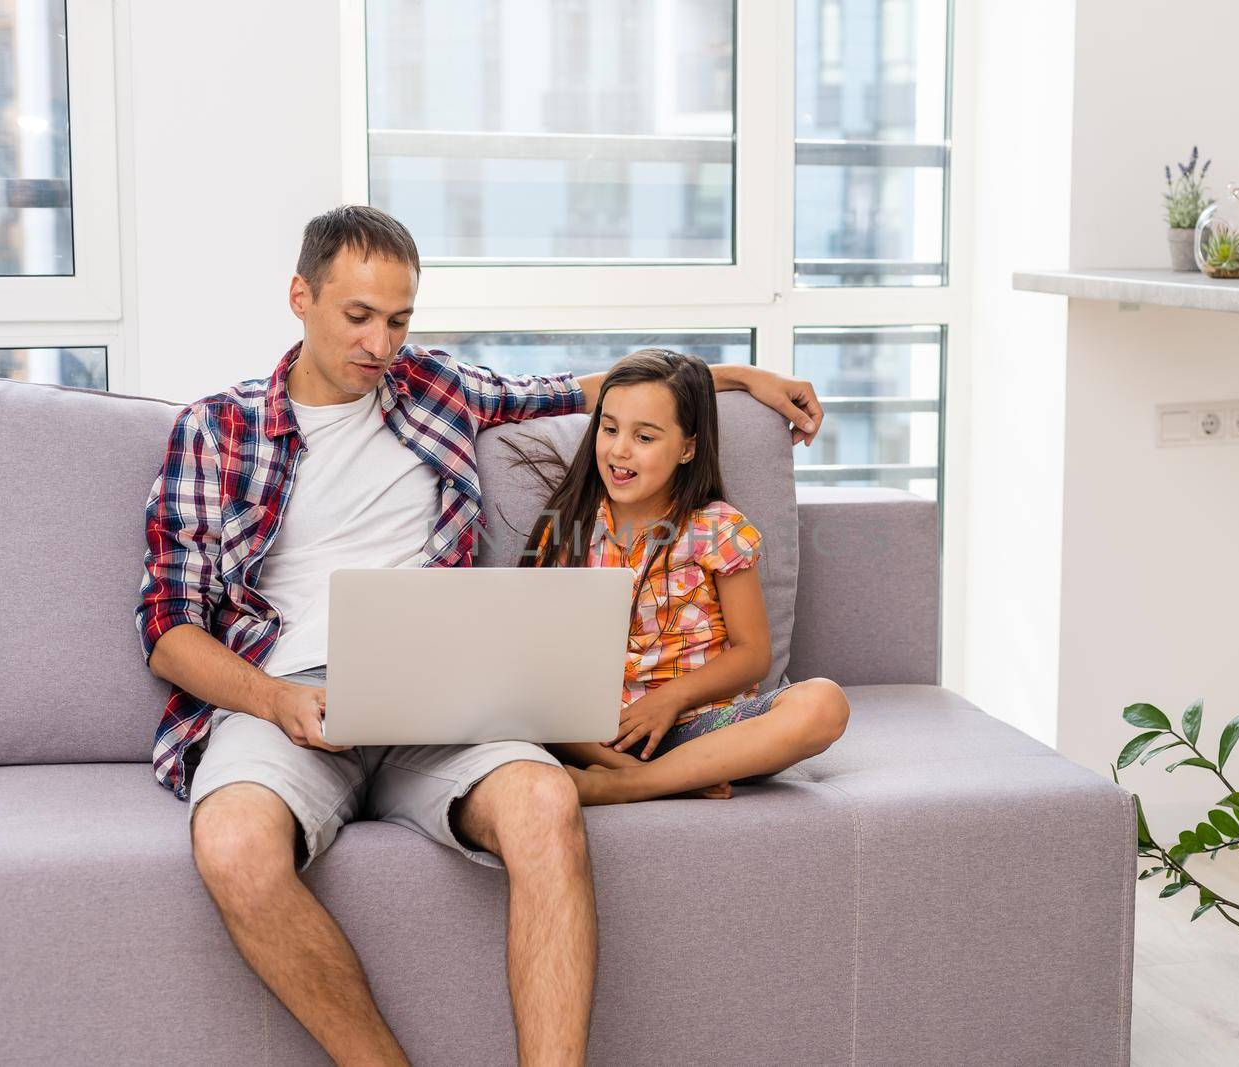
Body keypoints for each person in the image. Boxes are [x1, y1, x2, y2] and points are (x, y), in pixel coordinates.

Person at [134, 205, 825, 1066]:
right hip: (292, 699)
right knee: (233, 843)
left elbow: (580, 391)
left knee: (545, 802)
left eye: (399, 319)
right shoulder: (214, 431)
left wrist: (738, 376)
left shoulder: (437, 388)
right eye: (357, 317)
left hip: (445, 690)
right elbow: (167, 628)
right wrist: (275, 697)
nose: (380, 344)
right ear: (300, 296)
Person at [518, 349, 849, 806]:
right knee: (525, 700)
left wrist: (668, 700)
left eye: (645, 437)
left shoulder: (717, 529)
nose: (619, 450)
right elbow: (542, 662)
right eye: (609, 429)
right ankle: (660, 777)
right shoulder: (568, 527)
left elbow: (753, 655)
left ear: (688, 447)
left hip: (707, 731)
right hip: (605, 734)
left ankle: (634, 785)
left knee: (823, 703)